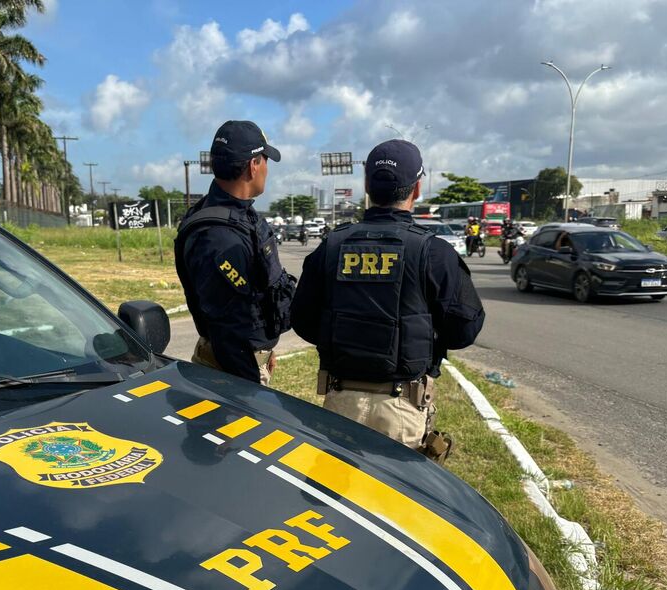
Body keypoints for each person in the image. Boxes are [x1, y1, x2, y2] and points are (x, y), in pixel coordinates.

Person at [291, 139, 486, 462]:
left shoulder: (332, 246)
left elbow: (302, 319)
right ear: (418, 188)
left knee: (332, 504)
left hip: (340, 403)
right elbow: (465, 328)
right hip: (402, 409)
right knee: (391, 508)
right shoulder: (433, 253)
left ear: (367, 185)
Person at [174, 120, 295, 386]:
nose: (267, 169)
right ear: (254, 166)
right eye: (265, 160)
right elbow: (230, 327)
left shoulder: (238, 215)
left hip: (242, 361)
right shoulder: (220, 237)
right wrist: (250, 386)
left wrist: (264, 349)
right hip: (231, 372)